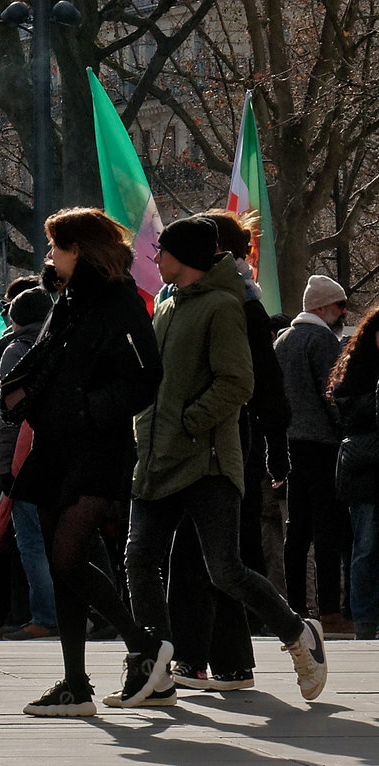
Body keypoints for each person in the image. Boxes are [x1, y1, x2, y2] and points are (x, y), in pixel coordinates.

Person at [123, 215, 327, 708]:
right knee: (139, 560)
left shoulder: (223, 306)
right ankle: (153, 666)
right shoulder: (166, 307)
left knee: (225, 570)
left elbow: (238, 382)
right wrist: (148, 428)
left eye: (163, 251)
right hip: (159, 457)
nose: (155, 259)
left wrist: (189, 423)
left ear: (186, 257)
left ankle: (299, 637)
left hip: (209, 462)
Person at [8, 209, 163, 716]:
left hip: (98, 445)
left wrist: (87, 408)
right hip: (56, 445)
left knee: (69, 556)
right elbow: (48, 361)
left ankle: (143, 645)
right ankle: (76, 685)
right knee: (62, 563)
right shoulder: (67, 301)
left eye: (56, 246)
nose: (49, 256)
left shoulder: (119, 301)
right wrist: (21, 391)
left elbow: (145, 378)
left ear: (80, 249)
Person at [168, 210, 294, 691]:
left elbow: (261, 383)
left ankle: (199, 658)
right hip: (229, 438)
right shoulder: (227, 300)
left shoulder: (232, 304)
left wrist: (275, 448)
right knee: (222, 557)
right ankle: (229, 661)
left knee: (201, 557)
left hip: (220, 440)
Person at [279, 273, 353, 633]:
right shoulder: (322, 340)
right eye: (339, 305)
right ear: (323, 306)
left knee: (297, 529)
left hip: (291, 443)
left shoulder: (283, 340)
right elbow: (333, 393)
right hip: (322, 445)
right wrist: (345, 429)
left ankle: (293, 607)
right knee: (328, 527)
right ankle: (330, 611)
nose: (342, 313)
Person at [0, 282, 57, 640]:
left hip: (24, 457)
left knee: (30, 540)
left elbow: (9, 414)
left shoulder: (16, 351)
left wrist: (3, 464)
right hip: (60, 453)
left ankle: (45, 616)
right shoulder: (61, 343)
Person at [330, 303, 379, 638]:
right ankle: (363, 621)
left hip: (362, 465)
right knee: (366, 547)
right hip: (366, 470)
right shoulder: (358, 368)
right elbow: (347, 412)